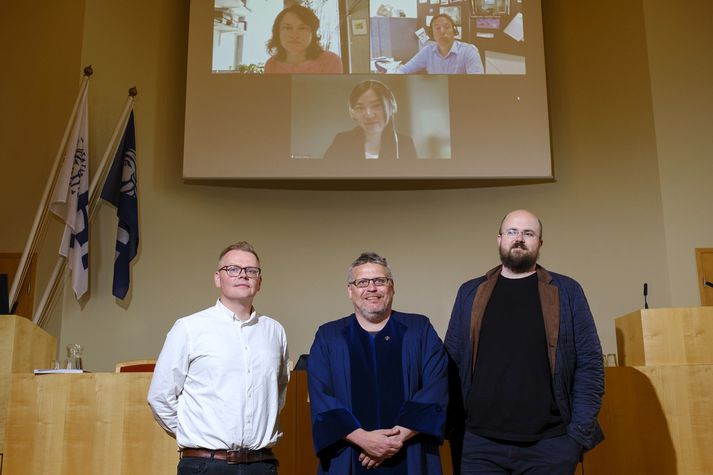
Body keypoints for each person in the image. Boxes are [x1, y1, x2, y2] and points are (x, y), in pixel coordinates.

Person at [444, 210, 604, 474]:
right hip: (478, 445)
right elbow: (452, 361)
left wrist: (576, 437)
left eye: (528, 233)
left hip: (551, 445)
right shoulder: (470, 292)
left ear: (539, 243)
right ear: (499, 239)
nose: (519, 239)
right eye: (512, 232)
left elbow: (589, 364)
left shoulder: (567, 291)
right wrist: (453, 427)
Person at [148, 242, 290, 475]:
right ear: (217, 278)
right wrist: (193, 433)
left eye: (251, 270)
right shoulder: (189, 328)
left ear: (259, 282)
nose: (243, 275)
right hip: (205, 465)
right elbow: (160, 397)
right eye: (233, 269)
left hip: (261, 464)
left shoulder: (275, 332)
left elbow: (278, 393)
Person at [308, 252, 448, 473]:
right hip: (349, 458)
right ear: (350, 290)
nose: (371, 288)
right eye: (362, 282)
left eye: (380, 281)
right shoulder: (329, 337)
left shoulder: (419, 330)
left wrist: (392, 441)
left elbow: (436, 388)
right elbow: (321, 398)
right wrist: (364, 439)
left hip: (410, 453)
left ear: (392, 287)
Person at [323, 80, 417, 160]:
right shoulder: (342, 141)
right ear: (352, 113)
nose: (368, 114)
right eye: (360, 108)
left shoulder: (404, 143)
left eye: (376, 105)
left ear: (391, 107)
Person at [265, 5, 342, 74]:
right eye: (288, 28)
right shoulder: (271, 64)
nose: (294, 35)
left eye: (302, 28)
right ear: (277, 33)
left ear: (313, 33)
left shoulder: (330, 61)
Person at [396, 14, 484, 75]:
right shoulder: (427, 51)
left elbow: (477, 82)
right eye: (437, 28)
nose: (442, 31)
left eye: (446, 27)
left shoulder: (468, 51)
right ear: (432, 34)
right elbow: (405, 69)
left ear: (454, 31)